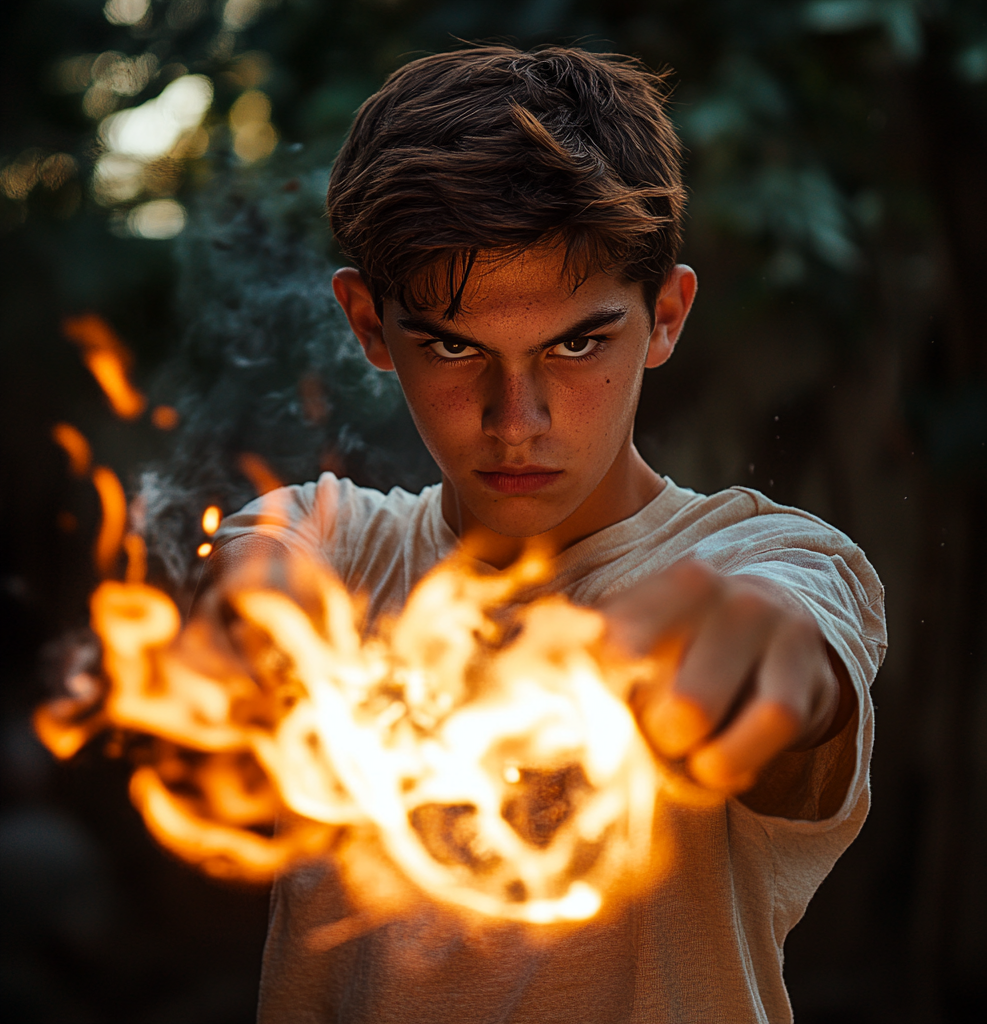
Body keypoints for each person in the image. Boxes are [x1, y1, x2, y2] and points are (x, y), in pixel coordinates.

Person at [203, 44, 886, 1024]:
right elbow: (259, 568)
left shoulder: (774, 560)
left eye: (576, 343)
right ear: (366, 325)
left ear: (664, 316)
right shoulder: (331, 544)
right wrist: (256, 624)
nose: (513, 417)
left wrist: (753, 669)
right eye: (452, 345)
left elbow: (799, 653)